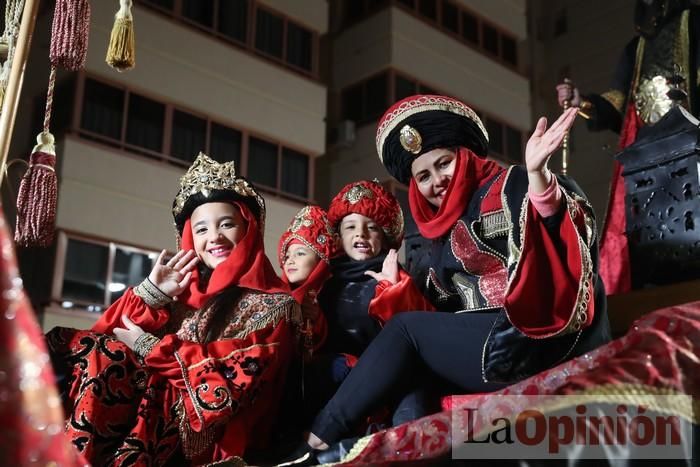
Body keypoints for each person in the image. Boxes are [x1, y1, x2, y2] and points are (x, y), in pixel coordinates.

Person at [279, 94, 611, 465]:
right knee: (405, 365)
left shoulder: (511, 184)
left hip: (532, 339)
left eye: (444, 164)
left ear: (465, 155)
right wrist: (396, 290)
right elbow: (434, 320)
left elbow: (566, 234)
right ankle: (396, 455)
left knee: (406, 333)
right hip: (483, 349)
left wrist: (539, 180)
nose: (436, 181)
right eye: (423, 175)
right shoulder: (431, 242)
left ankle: (314, 441)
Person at [47, 153, 299, 466]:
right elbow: (101, 334)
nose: (214, 238)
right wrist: (150, 294)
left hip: (203, 434)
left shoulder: (276, 307)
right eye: (202, 230)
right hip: (146, 406)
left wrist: (148, 346)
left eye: (226, 224)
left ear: (248, 229)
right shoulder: (180, 295)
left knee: (105, 357)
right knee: (72, 346)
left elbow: (230, 389)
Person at [556, 0, 700, 294]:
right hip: (648, 165)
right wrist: (581, 103)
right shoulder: (636, 49)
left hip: (692, 150)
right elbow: (617, 104)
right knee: (653, 255)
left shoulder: (695, 21)